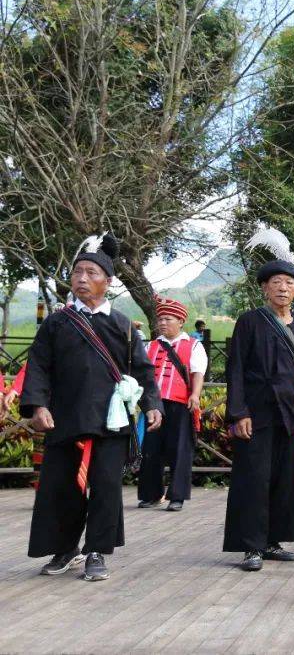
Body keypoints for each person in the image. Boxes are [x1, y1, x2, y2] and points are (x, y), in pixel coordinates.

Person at [21, 233, 163, 581]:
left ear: (108, 282)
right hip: (64, 418)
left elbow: (141, 369)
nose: (82, 279)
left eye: (91, 273)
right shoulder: (57, 323)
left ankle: (96, 550)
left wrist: (152, 404)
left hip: (111, 422)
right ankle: (65, 549)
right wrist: (37, 406)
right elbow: (38, 366)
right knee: (62, 487)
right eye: (77, 272)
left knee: (106, 486)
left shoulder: (123, 325)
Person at [223, 225, 294, 571]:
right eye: (276, 282)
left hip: (291, 415)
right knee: (254, 479)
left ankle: (273, 541)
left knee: (284, 481)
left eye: (290, 283)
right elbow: (235, 369)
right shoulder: (250, 321)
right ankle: (251, 545)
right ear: (264, 288)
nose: (283, 287)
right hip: (257, 414)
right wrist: (238, 413)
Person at [138, 295, 206, 512]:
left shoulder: (193, 345)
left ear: (180, 322)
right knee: (151, 449)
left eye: (168, 319)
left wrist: (195, 395)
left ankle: (177, 496)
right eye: (161, 319)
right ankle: (151, 494)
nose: (163, 323)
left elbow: (197, 373)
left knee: (180, 450)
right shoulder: (151, 345)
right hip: (153, 405)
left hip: (180, 404)